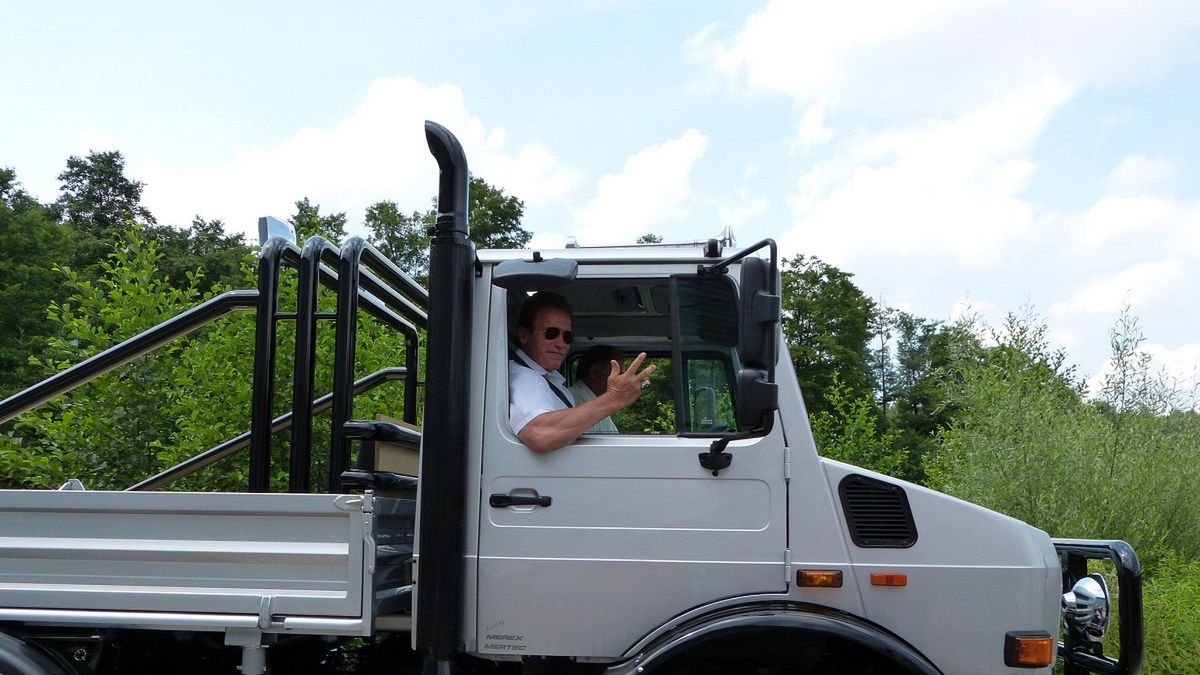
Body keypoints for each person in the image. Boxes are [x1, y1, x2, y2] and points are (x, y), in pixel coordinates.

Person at [509, 292, 653, 453]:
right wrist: (614, 398)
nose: (561, 343)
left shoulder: (546, 378)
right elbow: (539, 434)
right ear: (523, 335)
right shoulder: (523, 378)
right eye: (551, 333)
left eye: (567, 336)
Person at [568, 345, 624, 434]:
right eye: (618, 373)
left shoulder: (596, 401)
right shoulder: (576, 400)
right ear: (595, 372)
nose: (621, 379)